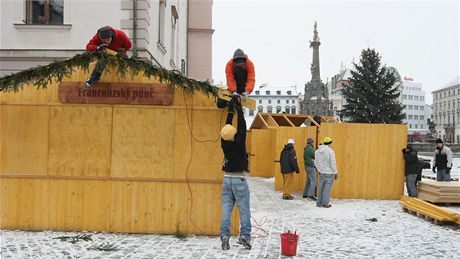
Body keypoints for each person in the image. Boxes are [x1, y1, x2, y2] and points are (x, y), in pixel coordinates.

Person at [219, 95, 251, 251]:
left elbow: (227, 127)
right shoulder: (239, 142)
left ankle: (224, 237)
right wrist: (238, 107)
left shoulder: (224, 142)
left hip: (226, 180)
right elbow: (243, 126)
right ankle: (245, 235)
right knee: (244, 209)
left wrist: (230, 111)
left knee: (226, 211)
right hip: (239, 180)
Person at [314, 137, 338, 208]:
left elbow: (316, 162)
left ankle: (318, 203)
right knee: (327, 189)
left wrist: (319, 170)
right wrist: (335, 172)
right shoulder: (331, 151)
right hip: (329, 173)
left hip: (321, 173)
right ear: (330, 143)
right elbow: (333, 163)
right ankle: (325, 203)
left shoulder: (317, 151)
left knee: (320, 189)